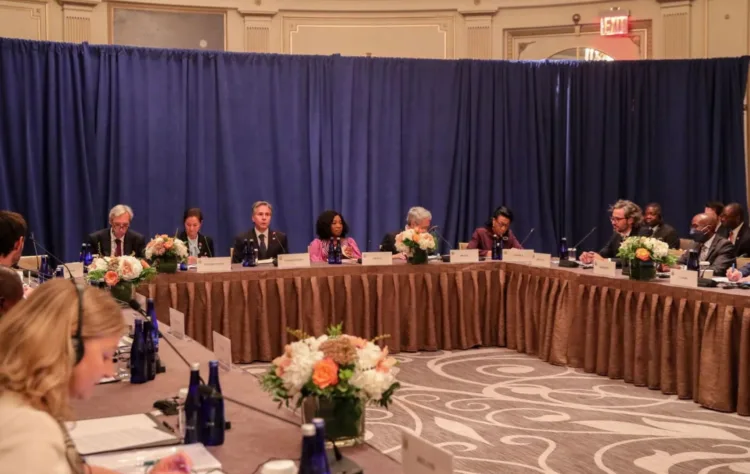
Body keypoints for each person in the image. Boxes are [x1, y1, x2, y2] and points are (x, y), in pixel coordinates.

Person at [0, 280, 192, 473]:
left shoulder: (23, 402)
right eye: (105, 356)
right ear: (70, 348)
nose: (110, 371)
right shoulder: (27, 431)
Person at [580, 200, 646, 264]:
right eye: (612, 218)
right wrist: (591, 257)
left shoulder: (642, 234)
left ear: (630, 220)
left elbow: (632, 260)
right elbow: (604, 254)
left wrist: (605, 260)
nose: (613, 222)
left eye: (618, 219)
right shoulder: (616, 235)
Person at [677, 213, 735, 277]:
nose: (692, 230)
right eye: (692, 226)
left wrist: (691, 270)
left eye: (695, 226)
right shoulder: (694, 243)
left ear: (708, 229)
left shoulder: (724, 245)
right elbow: (680, 262)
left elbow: (717, 270)